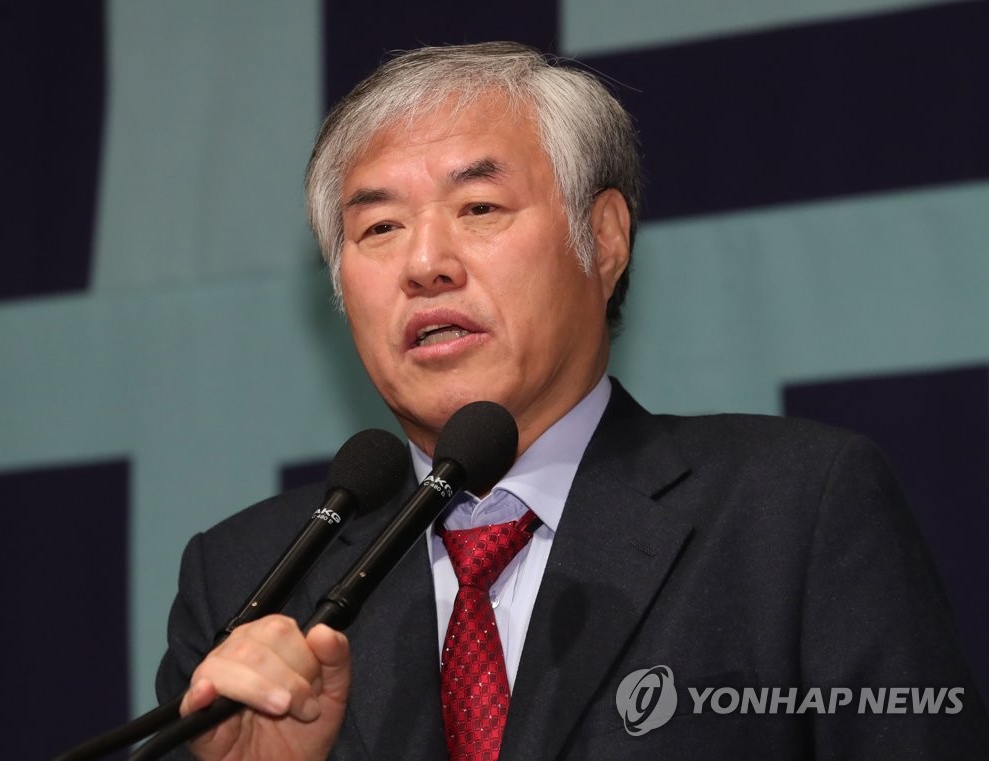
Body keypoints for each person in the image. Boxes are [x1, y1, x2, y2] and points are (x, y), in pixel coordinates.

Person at [156, 42, 989, 760]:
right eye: (379, 228)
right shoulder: (246, 580)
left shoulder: (794, 509)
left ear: (605, 239)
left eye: (479, 207)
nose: (425, 263)